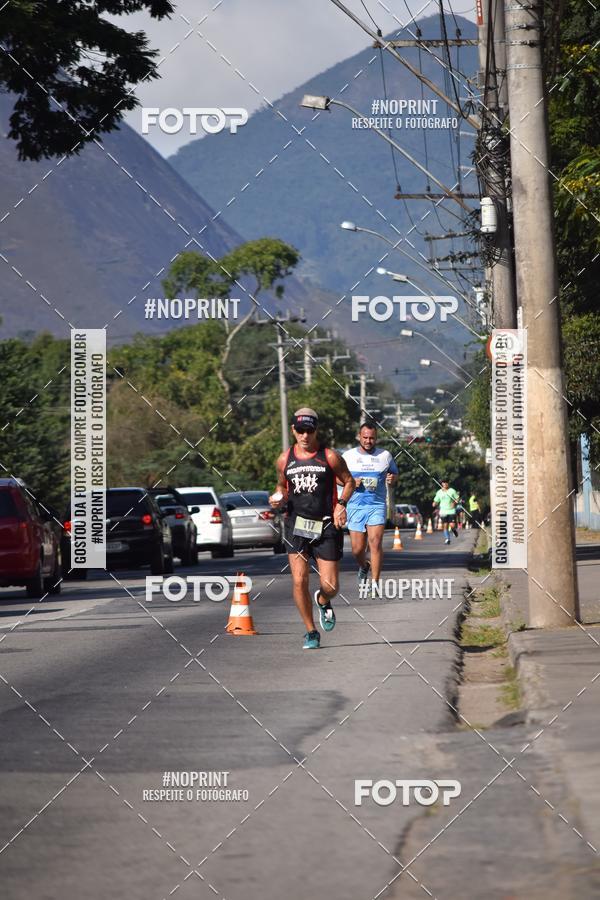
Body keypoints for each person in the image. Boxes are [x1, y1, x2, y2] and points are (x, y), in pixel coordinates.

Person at [269, 408, 355, 650]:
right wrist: (278, 497)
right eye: (300, 430)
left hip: (326, 524)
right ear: (293, 430)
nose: (305, 435)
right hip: (296, 524)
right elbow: (282, 485)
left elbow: (349, 481)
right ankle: (310, 631)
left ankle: (322, 599)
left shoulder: (330, 457)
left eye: (310, 430)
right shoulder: (284, 459)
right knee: (299, 580)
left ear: (316, 431)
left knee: (331, 586)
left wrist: (341, 505)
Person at [342, 423, 398, 592]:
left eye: (371, 438)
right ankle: (364, 565)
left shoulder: (385, 456)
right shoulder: (347, 456)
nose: (368, 441)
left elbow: (395, 475)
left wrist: (392, 479)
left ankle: (375, 582)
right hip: (355, 506)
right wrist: (351, 482)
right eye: (365, 437)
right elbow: (337, 479)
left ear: (376, 438)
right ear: (359, 437)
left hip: (377, 505)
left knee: (375, 542)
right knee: (357, 549)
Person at [432, 479, 461, 544]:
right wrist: (434, 503)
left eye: (446, 483)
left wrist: (454, 502)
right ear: (442, 484)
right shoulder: (439, 492)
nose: (445, 484)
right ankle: (447, 539)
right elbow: (436, 500)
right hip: (443, 512)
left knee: (452, 525)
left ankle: (454, 531)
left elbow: (457, 498)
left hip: (451, 511)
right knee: (445, 526)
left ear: (448, 483)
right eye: (444, 483)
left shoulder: (452, 491)